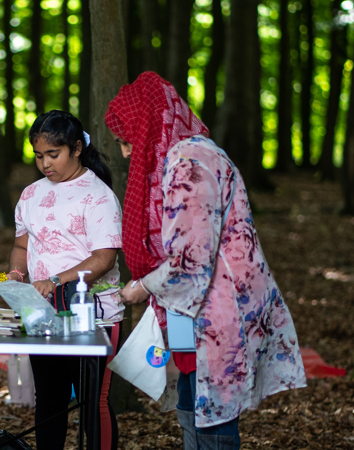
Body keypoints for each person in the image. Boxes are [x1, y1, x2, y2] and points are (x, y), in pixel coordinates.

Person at [109, 72, 307, 449]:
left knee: (212, 422)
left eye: (126, 140)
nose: (125, 152)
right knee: (191, 408)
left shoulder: (190, 163)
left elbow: (190, 261)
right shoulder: (185, 155)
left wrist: (141, 287)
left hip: (218, 310)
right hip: (199, 311)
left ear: (147, 127)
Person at [6, 110, 123, 450]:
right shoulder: (31, 194)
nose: (45, 163)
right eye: (38, 155)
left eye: (53, 154)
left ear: (76, 149)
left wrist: (56, 280)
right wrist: (17, 273)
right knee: (49, 398)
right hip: (43, 314)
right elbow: (21, 246)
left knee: (92, 400)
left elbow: (104, 257)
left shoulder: (98, 195)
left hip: (94, 314)